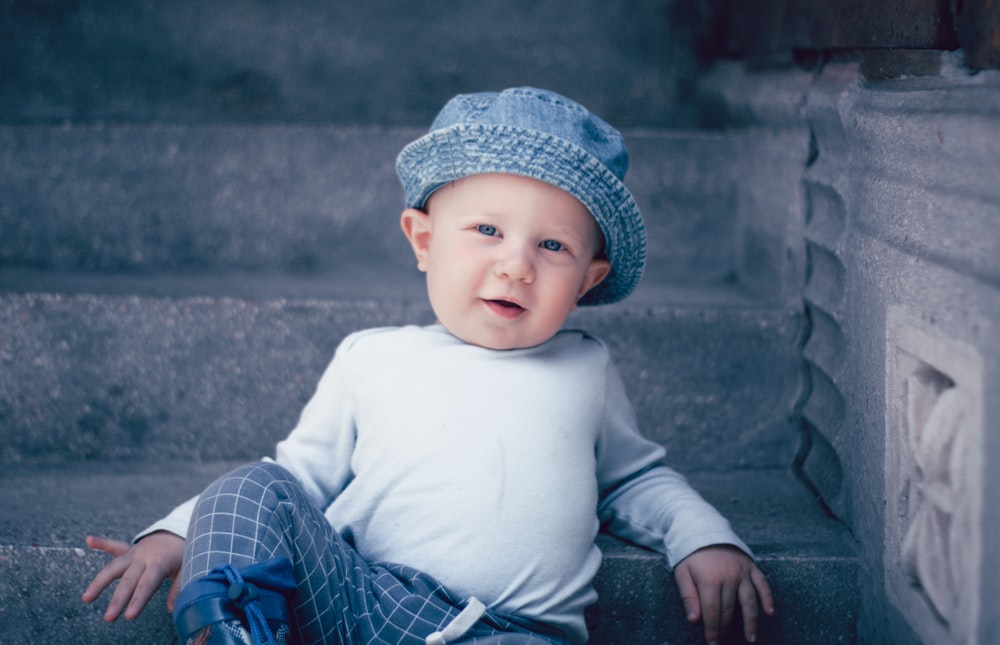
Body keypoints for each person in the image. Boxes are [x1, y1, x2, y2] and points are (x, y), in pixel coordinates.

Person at [82, 87, 774, 645]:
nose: (515, 264)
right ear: (423, 238)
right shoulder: (373, 357)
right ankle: (237, 629)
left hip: (506, 630)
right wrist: (180, 531)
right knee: (253, 485)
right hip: (357, 602)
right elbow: (300, 479)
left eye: (553, 245)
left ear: (590, 279)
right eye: (487, 230)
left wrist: (703, 537)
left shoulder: (585, 368)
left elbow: (637, 480)